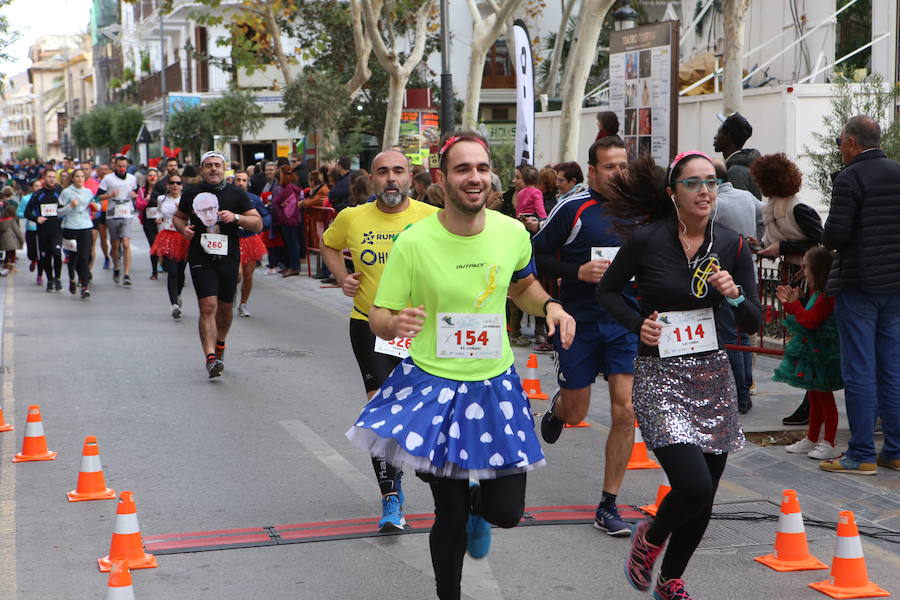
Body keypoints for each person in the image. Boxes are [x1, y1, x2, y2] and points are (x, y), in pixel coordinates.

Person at [345, 132, 575, 600]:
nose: (474, 177)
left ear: (491, 175)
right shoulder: (415, 241)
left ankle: (479, 505)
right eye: (462, 169)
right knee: (446, 512)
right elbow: (379, 316)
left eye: (481, 168)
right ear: (442, 178)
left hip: (495, 387)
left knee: (507, 512)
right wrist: (396, 323)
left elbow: (521, 285)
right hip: (435, 386)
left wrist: (549, 305)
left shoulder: (511, 232)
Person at [596, 151, 760, 600]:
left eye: (711, 182)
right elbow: (607, 292)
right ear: (673, 193)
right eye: (693, 183)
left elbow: (753, 321)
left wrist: (732, 295)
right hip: (660, 376)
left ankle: (670, 581)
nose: (705, 190)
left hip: (713, 378)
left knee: (704, 497)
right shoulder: (648, 240)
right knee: (692, 485)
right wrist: (637, 324)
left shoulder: (733, 244)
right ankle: (650, 537)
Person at [321, 149, 438, 532]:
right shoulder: (352, 217)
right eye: (383, 172)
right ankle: (390, 496)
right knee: (381, 411)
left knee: (425, 408)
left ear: (411, 178)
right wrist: (343, 278)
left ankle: (427, 466)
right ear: (371, 180)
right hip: (370, 327)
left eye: (398, 172)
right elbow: (329, 245)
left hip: (423, 329)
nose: (391, 179)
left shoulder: (431, 218)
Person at [532, 136, 638, 537]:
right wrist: (576, 273)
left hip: (624, 323)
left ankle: (608, 504)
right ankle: (560, 409)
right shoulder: (573, 209)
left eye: (624, 165)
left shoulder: (640, 211)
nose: (619, 173)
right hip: (578, 321)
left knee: (625, 410)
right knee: (578, 410)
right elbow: (534, 254)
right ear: (592, 171)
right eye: (610, 167)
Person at [820, 115, 900, 475]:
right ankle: (895, 451)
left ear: (851, 142)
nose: (839, 149)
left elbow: (835, 235)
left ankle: (862, 453)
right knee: (892, 368)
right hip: (896, 286)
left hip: (859, 284)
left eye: (840, 142)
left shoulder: (850, 177)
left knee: (860, 370)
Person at [173, 152, 263, 377]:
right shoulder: (192, 193)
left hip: (228, 256)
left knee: (224, 308)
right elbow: (178, 216)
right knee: (207, 306)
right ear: (202, 169)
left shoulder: (236, 194)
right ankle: (210, 357)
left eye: (217, 165)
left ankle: (220, 344)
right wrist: (182, 229)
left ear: (224, 169)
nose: (213, 169)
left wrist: (236, 218)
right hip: (200, 256)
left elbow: (257, 223)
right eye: (209, 166)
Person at [750, 152, 823, 426]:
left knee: (807, 340)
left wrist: (782, 248)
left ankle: (811, 405)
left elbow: (820, 241)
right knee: (803, 340)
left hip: (805, 280)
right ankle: (810, 405)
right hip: (794, 277)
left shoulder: (796, 208)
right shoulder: (778, 207)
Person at [776, 247, 842, 460]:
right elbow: (805, 319)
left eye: (805, 266)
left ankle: (829, 442)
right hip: (814, 352)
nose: (802, 269)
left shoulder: (826, 296)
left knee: (824, 397)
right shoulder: (817, 293)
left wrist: (792, 304)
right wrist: (792, 304)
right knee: (814, 396)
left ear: (816, 269)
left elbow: (810, 321)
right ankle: (812, 438)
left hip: (822, 355)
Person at [710, 160, 762, 415]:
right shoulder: (747, 197)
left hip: (723, 273)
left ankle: (740, 394)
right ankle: (746, 386)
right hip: (748, 266)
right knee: (742, 334)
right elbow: (764, 215)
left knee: (731, 335)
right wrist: (759, 240)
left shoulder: (714, 202)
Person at [149, 174, 189, 319]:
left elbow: (192, 217)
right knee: (171, 271)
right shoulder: (162, 199)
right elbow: (159, 211)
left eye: (178, 183)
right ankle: (174, 305)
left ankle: (177, 294)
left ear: (182, 185)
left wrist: (183, 211)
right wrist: (158, 217)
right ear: (168, 185)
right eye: (172, 183)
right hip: (167, 236)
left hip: (183, 237)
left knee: (181, 272)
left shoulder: (186, 199)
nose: (175, 186)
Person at [58, 169, 99, 298]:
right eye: (77, 176)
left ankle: (85, 286)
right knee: (73, 257)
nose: (80, 179)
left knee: (84, 257)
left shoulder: (88, 192)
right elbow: (59, 212)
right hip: (70, 227)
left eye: (82, 176)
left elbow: (97, 206)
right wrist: (70, 206)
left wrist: (95, 206)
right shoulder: (66, 192)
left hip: (86, 226)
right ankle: (72, 279)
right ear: (72, 178)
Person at [234, 170, 269, 317]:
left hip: (250, 240)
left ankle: (243, 304)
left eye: (243, 180)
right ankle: (229, 297)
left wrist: (261, 225)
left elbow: (265, 216)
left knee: (248, 275)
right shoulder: (228, 198)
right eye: (238, 180)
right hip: (233, 240)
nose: (240, 183)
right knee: (237, 275)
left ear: (247, 183)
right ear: (233, 182)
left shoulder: (254, 199)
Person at [98, 156, 138, 287]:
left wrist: (134, 195)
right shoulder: (108, 179)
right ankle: (116, 266)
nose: (122, 168)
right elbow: (98, 196)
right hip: (112, 213)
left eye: (124, 166)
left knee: (126, 243)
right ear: (115, 166)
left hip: (127, 212)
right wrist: (109, 196)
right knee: (115, 245)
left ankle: (126, 274)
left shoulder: (132, 178)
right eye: (120, 166)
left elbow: (136, 191)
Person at [24, 169, 63, 292]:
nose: (51, 179)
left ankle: (58, 278)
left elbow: (67, 207)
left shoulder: (60, 192)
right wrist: (36, 218)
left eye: (53, 177)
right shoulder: (37, 194)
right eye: (49, 177)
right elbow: (27, 212)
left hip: (57, 229)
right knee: (45, 257)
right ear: (44, 178)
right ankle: (50, 280)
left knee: (56, 254)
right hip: (43, 231)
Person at [713, 112, 761, 199]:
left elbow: (740, 207)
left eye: (719, 133)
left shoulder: (736, 171)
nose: (715, 137)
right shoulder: (741, 165)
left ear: (728, 137)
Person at [272, 165, 303, 278]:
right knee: (293, 244)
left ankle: (294, 267)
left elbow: (277, 201)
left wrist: (279, 203)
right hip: (294, 218)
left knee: (292, 244)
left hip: (288, 219)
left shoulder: (288, 188)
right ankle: (293, 266)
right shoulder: (295, 186)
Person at [136, 167, 162, 279]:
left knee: (162, 245)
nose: (152, 177)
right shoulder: (142, 190)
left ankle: (164, 264)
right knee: (153, 245)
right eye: (150, 175)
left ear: (158, 177)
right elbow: (138, 205)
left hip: (161, 221)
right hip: (148, 222)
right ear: (147, 177)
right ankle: (154, 271)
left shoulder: (162, 190)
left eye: (154, 175)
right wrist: (147, 199)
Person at [17, 179, 42, 284]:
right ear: (31, 187)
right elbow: (19, 213)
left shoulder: (43, 198)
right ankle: (33, 259)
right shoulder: (26, 199)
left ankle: (40, 275)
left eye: (40, 186)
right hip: (31, 228)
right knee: (32, 251)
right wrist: (30, 215)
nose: (38, 188)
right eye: (36, 186)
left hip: (42, 229)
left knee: (42, 253)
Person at [91, 162, 112, 271]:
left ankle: (115, 251)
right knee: (103, 237)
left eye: (106, 169)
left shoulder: (113, 181)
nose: (104, 171)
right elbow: (94, 198)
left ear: (109, 171)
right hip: (101, 213)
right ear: (98, 171)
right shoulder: (95, 183)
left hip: (113, 211)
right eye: (101, 169)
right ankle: (106, 257)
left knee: (115, 237)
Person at [0, 203, 24, 276]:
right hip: (12, 241)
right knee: (12, 255)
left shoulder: (1, 220)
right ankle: (10, 268)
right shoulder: (11, 221)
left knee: (7, 254)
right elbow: (17, 232)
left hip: (3, 241)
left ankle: (6, 266)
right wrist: (21, 241)